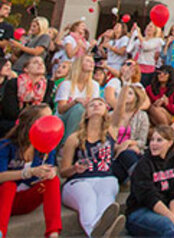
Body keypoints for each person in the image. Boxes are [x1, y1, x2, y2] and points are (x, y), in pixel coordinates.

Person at [59, 97, 125, 238]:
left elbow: (120, 110)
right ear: (86, 113)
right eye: (91, 105)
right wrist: (74, 169)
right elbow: (63, 172)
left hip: (105, 177)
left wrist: (126, 83)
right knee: (87, 197)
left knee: (107, 198)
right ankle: (99, 232)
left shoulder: (111, 132)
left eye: (100, 104)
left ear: (106, 110)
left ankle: (99, 232)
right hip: (78, 181)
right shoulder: (74, 138)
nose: (96, 106)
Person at [0, 104, 61, 238]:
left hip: (26, 199)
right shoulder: (6, 146)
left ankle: (53, 233)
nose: (51, 121)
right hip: (4, 200)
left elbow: (51, 168)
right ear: (33, 123)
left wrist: (51, 172)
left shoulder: (47, 145)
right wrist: (28, 172)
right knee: (8, 185)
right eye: (47, 118)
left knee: (53, 180)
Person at [0, 56, 55, 137]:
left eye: (42, 63)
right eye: (35, 62)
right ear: (26, 69)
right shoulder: (13, 83)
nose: (40, 65)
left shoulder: (49, 85)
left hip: (35, 123)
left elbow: (45, 108)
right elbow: (10, 112)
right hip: (13, 122)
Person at [56, 55, 101, 146]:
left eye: (92, 61)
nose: (92, 63)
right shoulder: (66, 84)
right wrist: (75, 102)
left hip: (85, 116)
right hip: (64, 118)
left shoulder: (94, 85)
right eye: (88, 61)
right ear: (79, 64)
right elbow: (60, 110)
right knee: (79, 108)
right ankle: (66, 145)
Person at [130, 22, 165, 87]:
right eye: (147, 26)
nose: (148, 27)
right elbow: (129, 50)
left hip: (147, 70)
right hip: (136, 68)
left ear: (155, 30)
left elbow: (146, 47)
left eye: (151, 27)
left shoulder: (157, 40)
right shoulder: (138, 40)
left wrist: (139, 34)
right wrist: (132, 36)